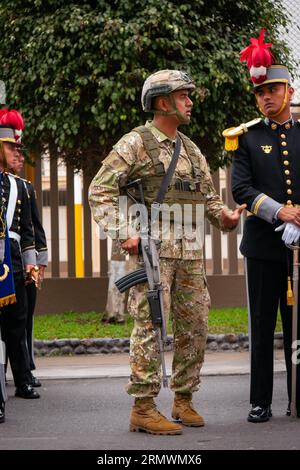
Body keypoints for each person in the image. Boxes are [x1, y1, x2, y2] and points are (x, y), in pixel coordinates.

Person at [89, 69, 245, 435]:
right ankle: (143, 408)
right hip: (152, 255)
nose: (190, 102)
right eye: (183, 95)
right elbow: (100, 191)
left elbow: (207, 197)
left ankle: (183, 399)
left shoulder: (190, 149)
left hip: (190, 255)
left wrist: (224, 216)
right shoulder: (136, 143)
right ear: (163, 102)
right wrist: (123, 231)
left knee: (196, 327)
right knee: (150, 327)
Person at [224, 30, 300, 422]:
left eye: (273, 89)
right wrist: (278, 212)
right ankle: (260, 401)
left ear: (288, 89)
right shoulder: (247, 138)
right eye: (260, 92)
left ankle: (298, 396)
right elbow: (240, 187)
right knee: (261, 327)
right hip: (263, 248)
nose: (266, 97)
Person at [0, 108, 40, 399]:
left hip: (11, 257)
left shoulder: (19, 187)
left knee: (17, 322)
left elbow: (27, 231)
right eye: (11, 146)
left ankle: (23, 379)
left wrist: (31, 267)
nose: (17, 152)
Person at [5, 146, 48, 387]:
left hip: (20, 260)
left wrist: (37, 264)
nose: (19, 158)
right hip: (9, 257)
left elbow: (33, 228)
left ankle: (25, 369)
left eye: (21, 154)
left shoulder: (24, 187)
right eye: (14, 152)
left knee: (23, 318)